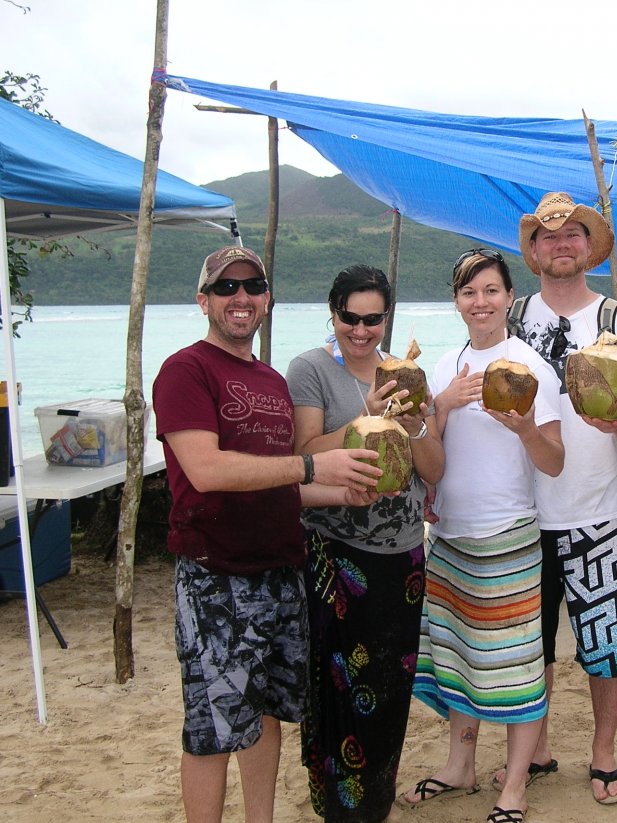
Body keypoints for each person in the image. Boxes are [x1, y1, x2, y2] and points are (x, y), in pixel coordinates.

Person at [152, 246, 384, 823]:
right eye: (226, 288)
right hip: (215, 572)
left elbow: (277, 481)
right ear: (204, 300)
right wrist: (312, 467)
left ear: (267, 300)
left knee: (268, 714)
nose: (241, 299)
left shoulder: (271, 381)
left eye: (253, 286)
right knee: (211, 725)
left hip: (282, 570)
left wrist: (341, 489)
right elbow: (206, 470)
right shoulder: (185, 369)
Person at [404, 249, 564, 823]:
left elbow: (554, 463)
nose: (481, 303)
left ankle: (515, 786)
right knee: (457, 658)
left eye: (491, 291)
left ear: (508, 298)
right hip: (448, 536)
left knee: (519, 664)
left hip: (509, 532)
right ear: (456, 301)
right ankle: (461, 765)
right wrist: (438, 408)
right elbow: (429, 456)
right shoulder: (443, 367)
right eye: (470, 293)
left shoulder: (531, 367)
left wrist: (524, 428)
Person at [508, 192, 617, 805]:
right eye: (547, 235)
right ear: (533, 250)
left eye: (573, 234)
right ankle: (534, 749)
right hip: (517, 510)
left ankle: (603, 753)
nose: (560, 243)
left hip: (599, 506)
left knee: (607, 643)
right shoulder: (511, 315)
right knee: (527, 644)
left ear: (589, 246)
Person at [286, 265, 445, 823]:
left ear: (386, 319)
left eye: (372, 319)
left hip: (402, 553)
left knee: (389, 681)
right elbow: (304, 451)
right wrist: (366, 416)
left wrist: (421, 422)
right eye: (350, 318)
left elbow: (433, 471)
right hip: (335, 550)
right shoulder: (310, 369)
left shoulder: (404, 373)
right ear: (334, 314)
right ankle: (339, 804)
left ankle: (375, 799)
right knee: (336, 681)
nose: (361, 330)